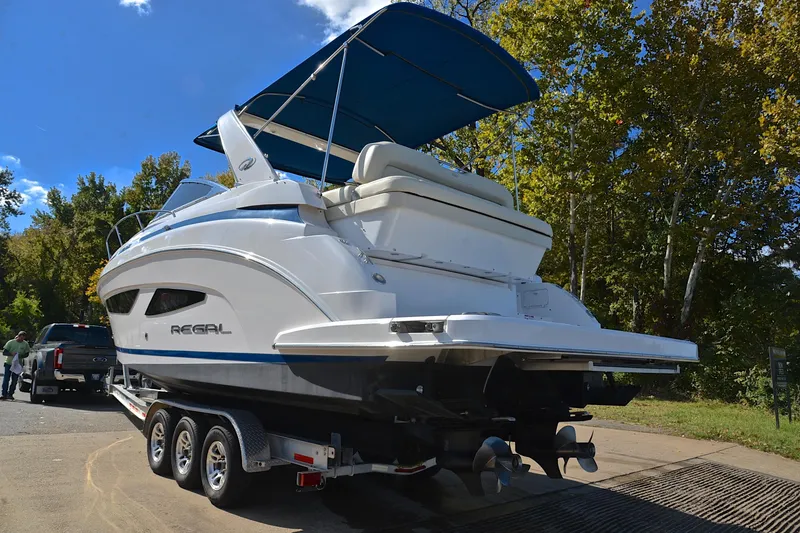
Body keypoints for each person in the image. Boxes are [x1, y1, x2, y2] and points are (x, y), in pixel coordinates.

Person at [2, 331, 30, 400]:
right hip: (9, 363)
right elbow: (4, 352)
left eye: (23, 338)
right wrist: (12, 354)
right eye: (21, 337)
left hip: (17, 365)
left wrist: (20, 355)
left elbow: (27, 354)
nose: (21, 339)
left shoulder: (25, 344)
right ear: (18, 336)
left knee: (14, 380)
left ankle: (10, 394)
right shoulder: (11, 342)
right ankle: (4, 394)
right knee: (6, 379)